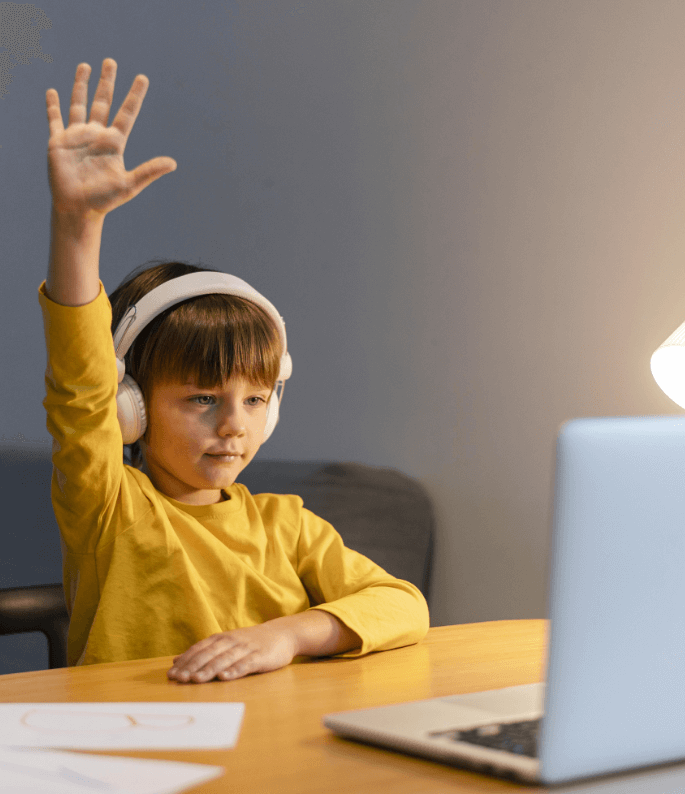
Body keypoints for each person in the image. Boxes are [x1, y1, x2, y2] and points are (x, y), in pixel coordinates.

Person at [41, 58, 429, 684]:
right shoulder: (109, 505)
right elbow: (79, 386)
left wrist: (287, 635)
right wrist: (77, 226)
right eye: (201, 399)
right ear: (129, 406)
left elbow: (403, 605)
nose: (233, 426)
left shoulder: (288, 525)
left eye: (255, 400)